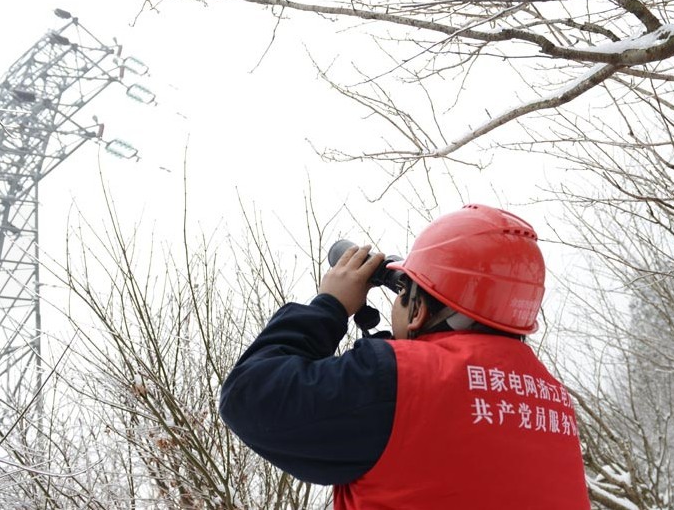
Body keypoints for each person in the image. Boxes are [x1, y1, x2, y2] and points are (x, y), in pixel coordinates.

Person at [219, 204, 590, 509]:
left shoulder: (397, 381)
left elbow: (247, 395)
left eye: (402, 292)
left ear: (418, 311)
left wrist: (329, 305)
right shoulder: (554, 400)